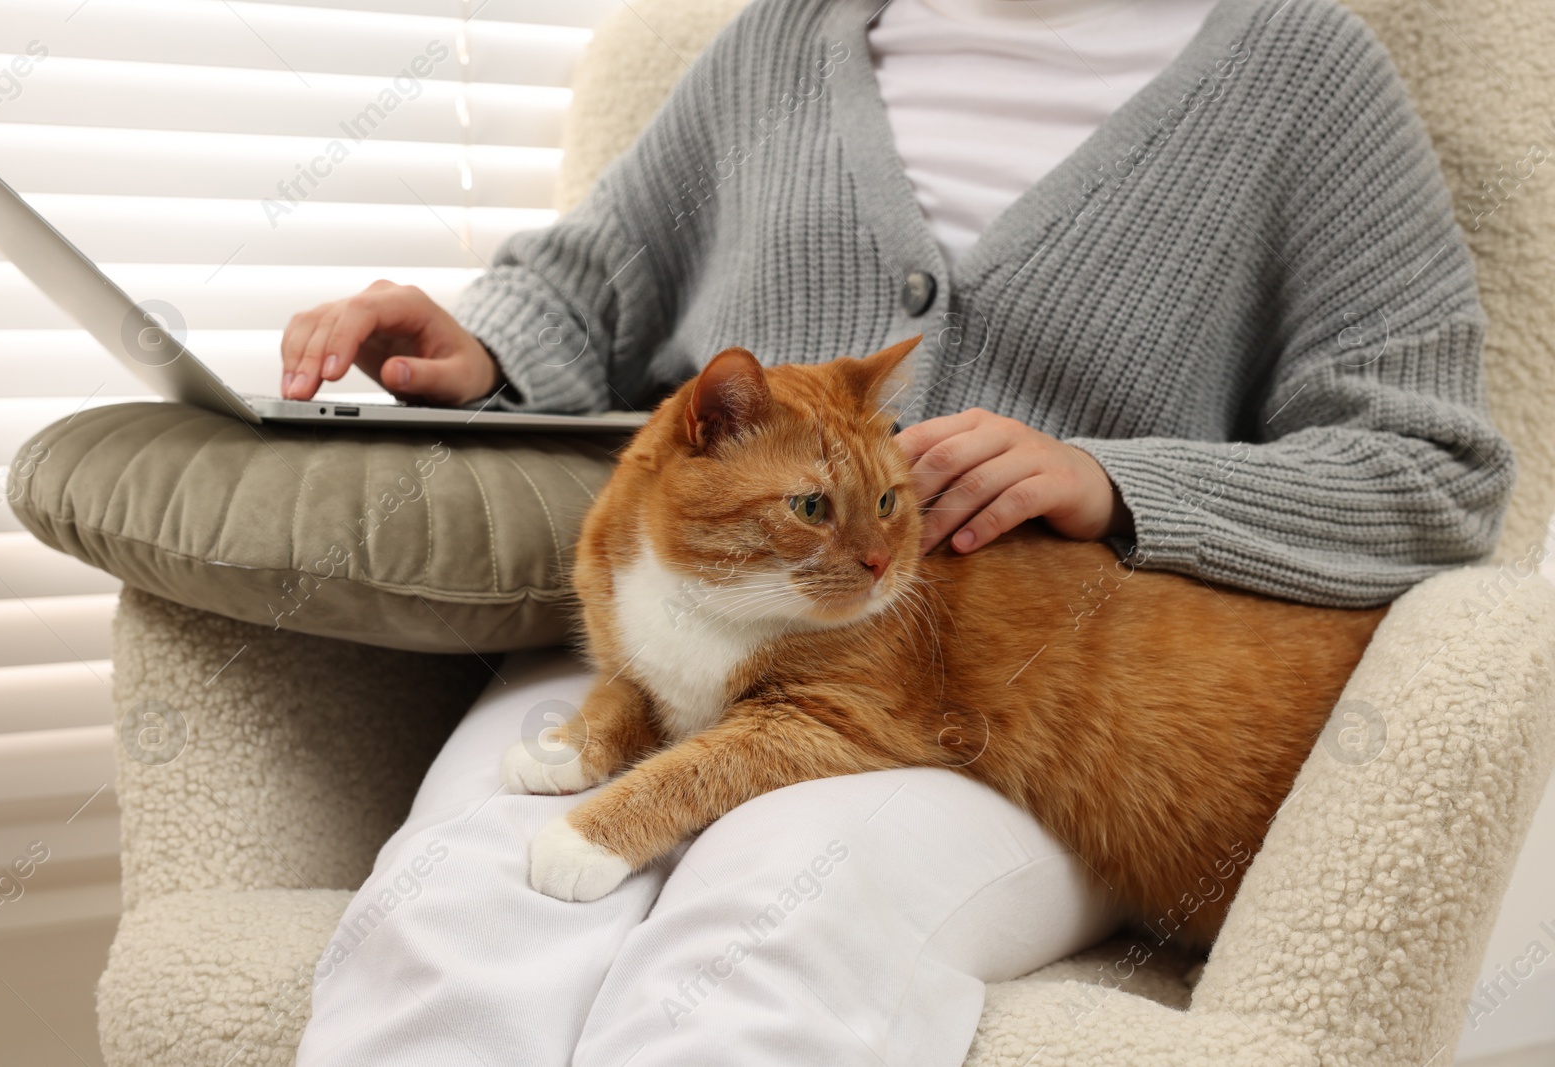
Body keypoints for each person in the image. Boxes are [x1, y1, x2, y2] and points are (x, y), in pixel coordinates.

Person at [290, 0, 1514, 1062]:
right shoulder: (781, 40)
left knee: (768, 927)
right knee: (454, 908)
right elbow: (590, 288)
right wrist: (483, 343)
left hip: (998, 726)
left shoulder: (1302, 71)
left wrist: (1115, 482)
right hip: (691, 640)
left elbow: (1434, 471)